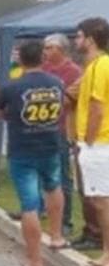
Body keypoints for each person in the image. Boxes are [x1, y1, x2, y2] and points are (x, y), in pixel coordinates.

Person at [0, 40, 67, 266]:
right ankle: (56, 236)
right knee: (54, 187)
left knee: (29, 205)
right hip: (50, 144)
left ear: (21, 60)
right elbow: (62, 108)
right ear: (42, 58)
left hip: (22, 149)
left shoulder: (11, 87)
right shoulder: (57, 83)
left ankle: (35, 262)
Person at [73, 18, 109, 266]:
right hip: (98, 143)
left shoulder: (100, 65)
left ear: (91, 39)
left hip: (99, 143)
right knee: (98, 201)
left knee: (103, 202)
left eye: (78, 36)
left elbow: (97, 106)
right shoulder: (95, 66)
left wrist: (88, 139)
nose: (76, 41)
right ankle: (106, 252)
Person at [42, 33, 85, 242]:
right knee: (41, 171)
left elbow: (69, 100)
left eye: (50, 48)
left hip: (60, 128)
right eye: (45, 48)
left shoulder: (73, 71)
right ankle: (41, 209)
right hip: (40, 127)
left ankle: (66, 221)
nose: (46, 51)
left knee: (61, 175)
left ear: (61, 49)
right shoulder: (43, 68)